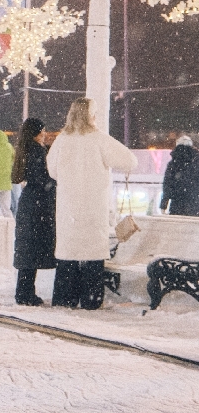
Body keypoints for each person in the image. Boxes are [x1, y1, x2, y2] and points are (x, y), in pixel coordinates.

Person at [46, 98, 138, 310]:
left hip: (68, 209)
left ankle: (64, 298)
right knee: (92, 256)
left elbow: (52, 171)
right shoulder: (99, 139)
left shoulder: (62, 140)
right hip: (93, 207)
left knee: (68, 255)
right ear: (90, 116)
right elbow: (130, 161)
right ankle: (91, 300)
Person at [11, 118, 56, 306]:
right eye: (42, 130)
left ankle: (23, 291)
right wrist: (54, 183)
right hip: (39, 205)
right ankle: (25, 294)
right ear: (35, 132)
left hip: (28, 202)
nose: (44, 134)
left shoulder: (24, 149)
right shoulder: (37, 151)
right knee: (33, 250)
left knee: (27, 249)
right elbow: (43, 178)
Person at [159, 135, 199, 215]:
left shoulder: (173, 164)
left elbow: (167, 185)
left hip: (177, 203)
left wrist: (164, 204)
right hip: (194, 203)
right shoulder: (196, 162)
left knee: (177, 222)